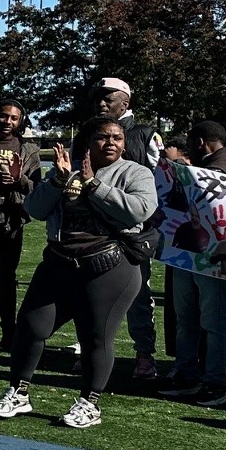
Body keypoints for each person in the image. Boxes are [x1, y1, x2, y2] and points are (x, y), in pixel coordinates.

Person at [0, 117, 158, 429]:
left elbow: (138, 211)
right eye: (103, 137)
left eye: (117, 137)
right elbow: (35, 210)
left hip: (109, 266)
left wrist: (95, 185)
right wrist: (57, 181)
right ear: (89, 141)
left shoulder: (136, 172)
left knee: (96, 337)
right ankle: (19, 392)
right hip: (60, 261)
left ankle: (89, 403)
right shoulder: (67, 169)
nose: (111, 143)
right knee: (30, 326)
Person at [158, 120, 226, 408]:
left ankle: (215, 383)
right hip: (190, 251)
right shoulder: (209, 159)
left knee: (213, 320)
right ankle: (186, 374)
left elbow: (210, 180)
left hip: (216, 255)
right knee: (186, 317)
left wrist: (176, 163)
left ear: (200, 141)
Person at [93, 79, 165, 381]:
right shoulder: (89, 132)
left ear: (125, 101)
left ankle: (144, 354)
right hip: (94, 228)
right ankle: (91, 348)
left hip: (134, 232)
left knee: (138, 295)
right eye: (98, 98)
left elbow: (163, 181)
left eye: (108, 98)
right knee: (91, 295)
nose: (101, 103)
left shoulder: (145, 135)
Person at [0, 101, 41, 353]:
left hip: (13, 221)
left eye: (14, 118)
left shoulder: (30, 151)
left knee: (7, 279)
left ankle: (8, 332)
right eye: (3, 116)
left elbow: (38, 189)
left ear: (21, 122)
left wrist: (19, 180)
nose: (7, 122)